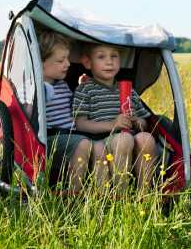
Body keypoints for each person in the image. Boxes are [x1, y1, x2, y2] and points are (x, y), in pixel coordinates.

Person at [73, 43, 158, 191]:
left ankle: (145, 193)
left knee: (146, 139)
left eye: (114, 56)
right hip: (100, 140)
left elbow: (144, 122)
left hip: (128, 135)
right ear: (88, 62)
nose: (109, 61)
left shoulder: (129, 90)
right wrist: (113, 124)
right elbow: (80, 124)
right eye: (101, 56)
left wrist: (137, 122)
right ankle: (121, 195)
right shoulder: (85, 89)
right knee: (123, 140)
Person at [39, 30, 92, 191]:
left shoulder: (62, 85)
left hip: (69, 135)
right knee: (83, 144)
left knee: (92, 144)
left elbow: (73, 111)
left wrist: (81, 89)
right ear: (41, 63)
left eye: (67, 59)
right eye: (61, 60)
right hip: (51, 138)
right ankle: (74, 196)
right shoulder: (35, 88)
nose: (68, 64)